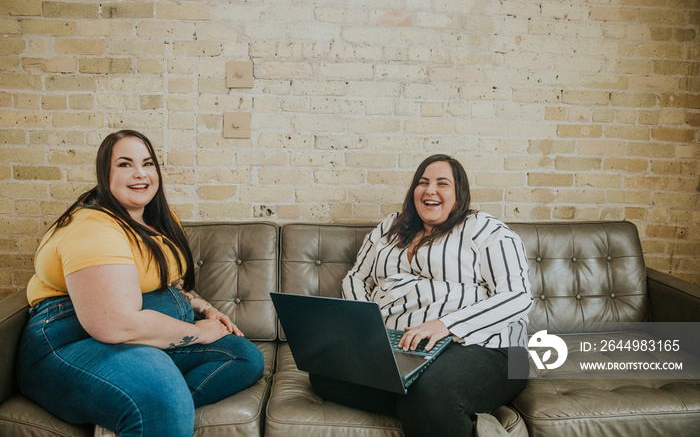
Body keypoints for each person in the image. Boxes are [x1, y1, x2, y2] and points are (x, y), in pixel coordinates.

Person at [16, 130, 264, 437]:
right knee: (161, 397)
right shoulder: (94, 229)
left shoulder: (157, 219)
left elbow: (171, 280)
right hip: (72, 338)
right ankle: (151, 407)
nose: (140, 174)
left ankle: (129, 414)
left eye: (147, 163)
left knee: (244, 357)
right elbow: (115, 324)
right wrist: (198, 332)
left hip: (133, 333)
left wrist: (206, 308)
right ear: (104, 173)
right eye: (124, 164)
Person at [309, 154, 533, 437]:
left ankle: (440, 408)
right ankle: (458, 421)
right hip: (399, 346)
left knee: (431, 390)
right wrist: (366, 324)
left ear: (459, 193)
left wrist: (445, 326)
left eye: (442, 184)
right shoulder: (389, 228)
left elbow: (517, 297)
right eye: (423, 182)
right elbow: (357, 278)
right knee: (324, 374)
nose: (430, 190)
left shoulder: (486, 230)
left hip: (487, 348)